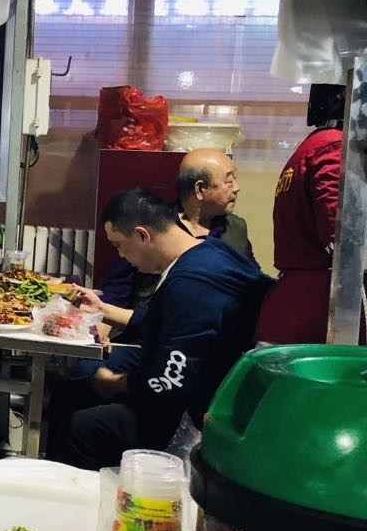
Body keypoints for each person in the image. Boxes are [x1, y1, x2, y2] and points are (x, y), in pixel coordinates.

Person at [52, 188, 271, 470]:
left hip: (197, 408)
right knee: (67, 394)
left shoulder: (193, 284)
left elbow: (172, 379)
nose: (122, 256)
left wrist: (117, 383)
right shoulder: (206, 251)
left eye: (120, 245)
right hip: (197, 385)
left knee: (81, 427)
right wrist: (103, 310)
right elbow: (168, 323)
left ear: (143, 235)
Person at [101, 147, 254, 310]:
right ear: (200, 189)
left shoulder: (236, 229)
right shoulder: (157, 225)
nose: (237, 188)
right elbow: (116, 292)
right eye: (229, 182)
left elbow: (250, 283)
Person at [257, 84, 344, 344]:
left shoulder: (312, 145)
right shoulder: (333, 146)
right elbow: (339, 235)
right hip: (316, 310)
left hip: (295, 303)